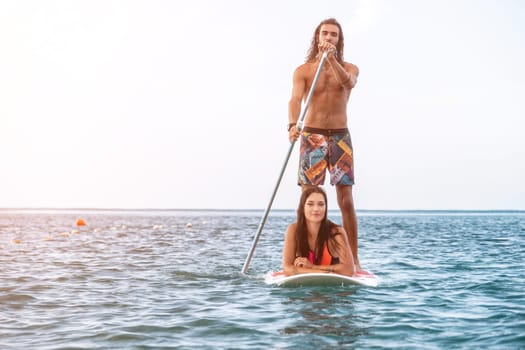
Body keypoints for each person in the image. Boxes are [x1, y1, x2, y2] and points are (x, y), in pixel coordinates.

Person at [287, 18, 361, 271]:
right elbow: (295, 99)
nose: (329, 38)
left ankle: (354, 259)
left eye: (334, 35)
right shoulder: (304, 70)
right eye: (325, 34)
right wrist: (292, 124)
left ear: (339, 41)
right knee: (309, 198)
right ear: (317, 38)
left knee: (346, 199)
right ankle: (303, 256)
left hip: (340, 136)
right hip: (313, 136)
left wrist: (331, 61)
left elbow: (348, 83)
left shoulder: (350, 67)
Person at [282, 186, 355, 276]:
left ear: (326, 207)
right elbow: (287, 268)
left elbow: (349, 270)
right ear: (302, 207)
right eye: (310, 204)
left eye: (321, 204)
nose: (316, 209)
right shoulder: (293, 230)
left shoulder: (336, 232)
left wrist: (312, 267)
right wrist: (321, 272)